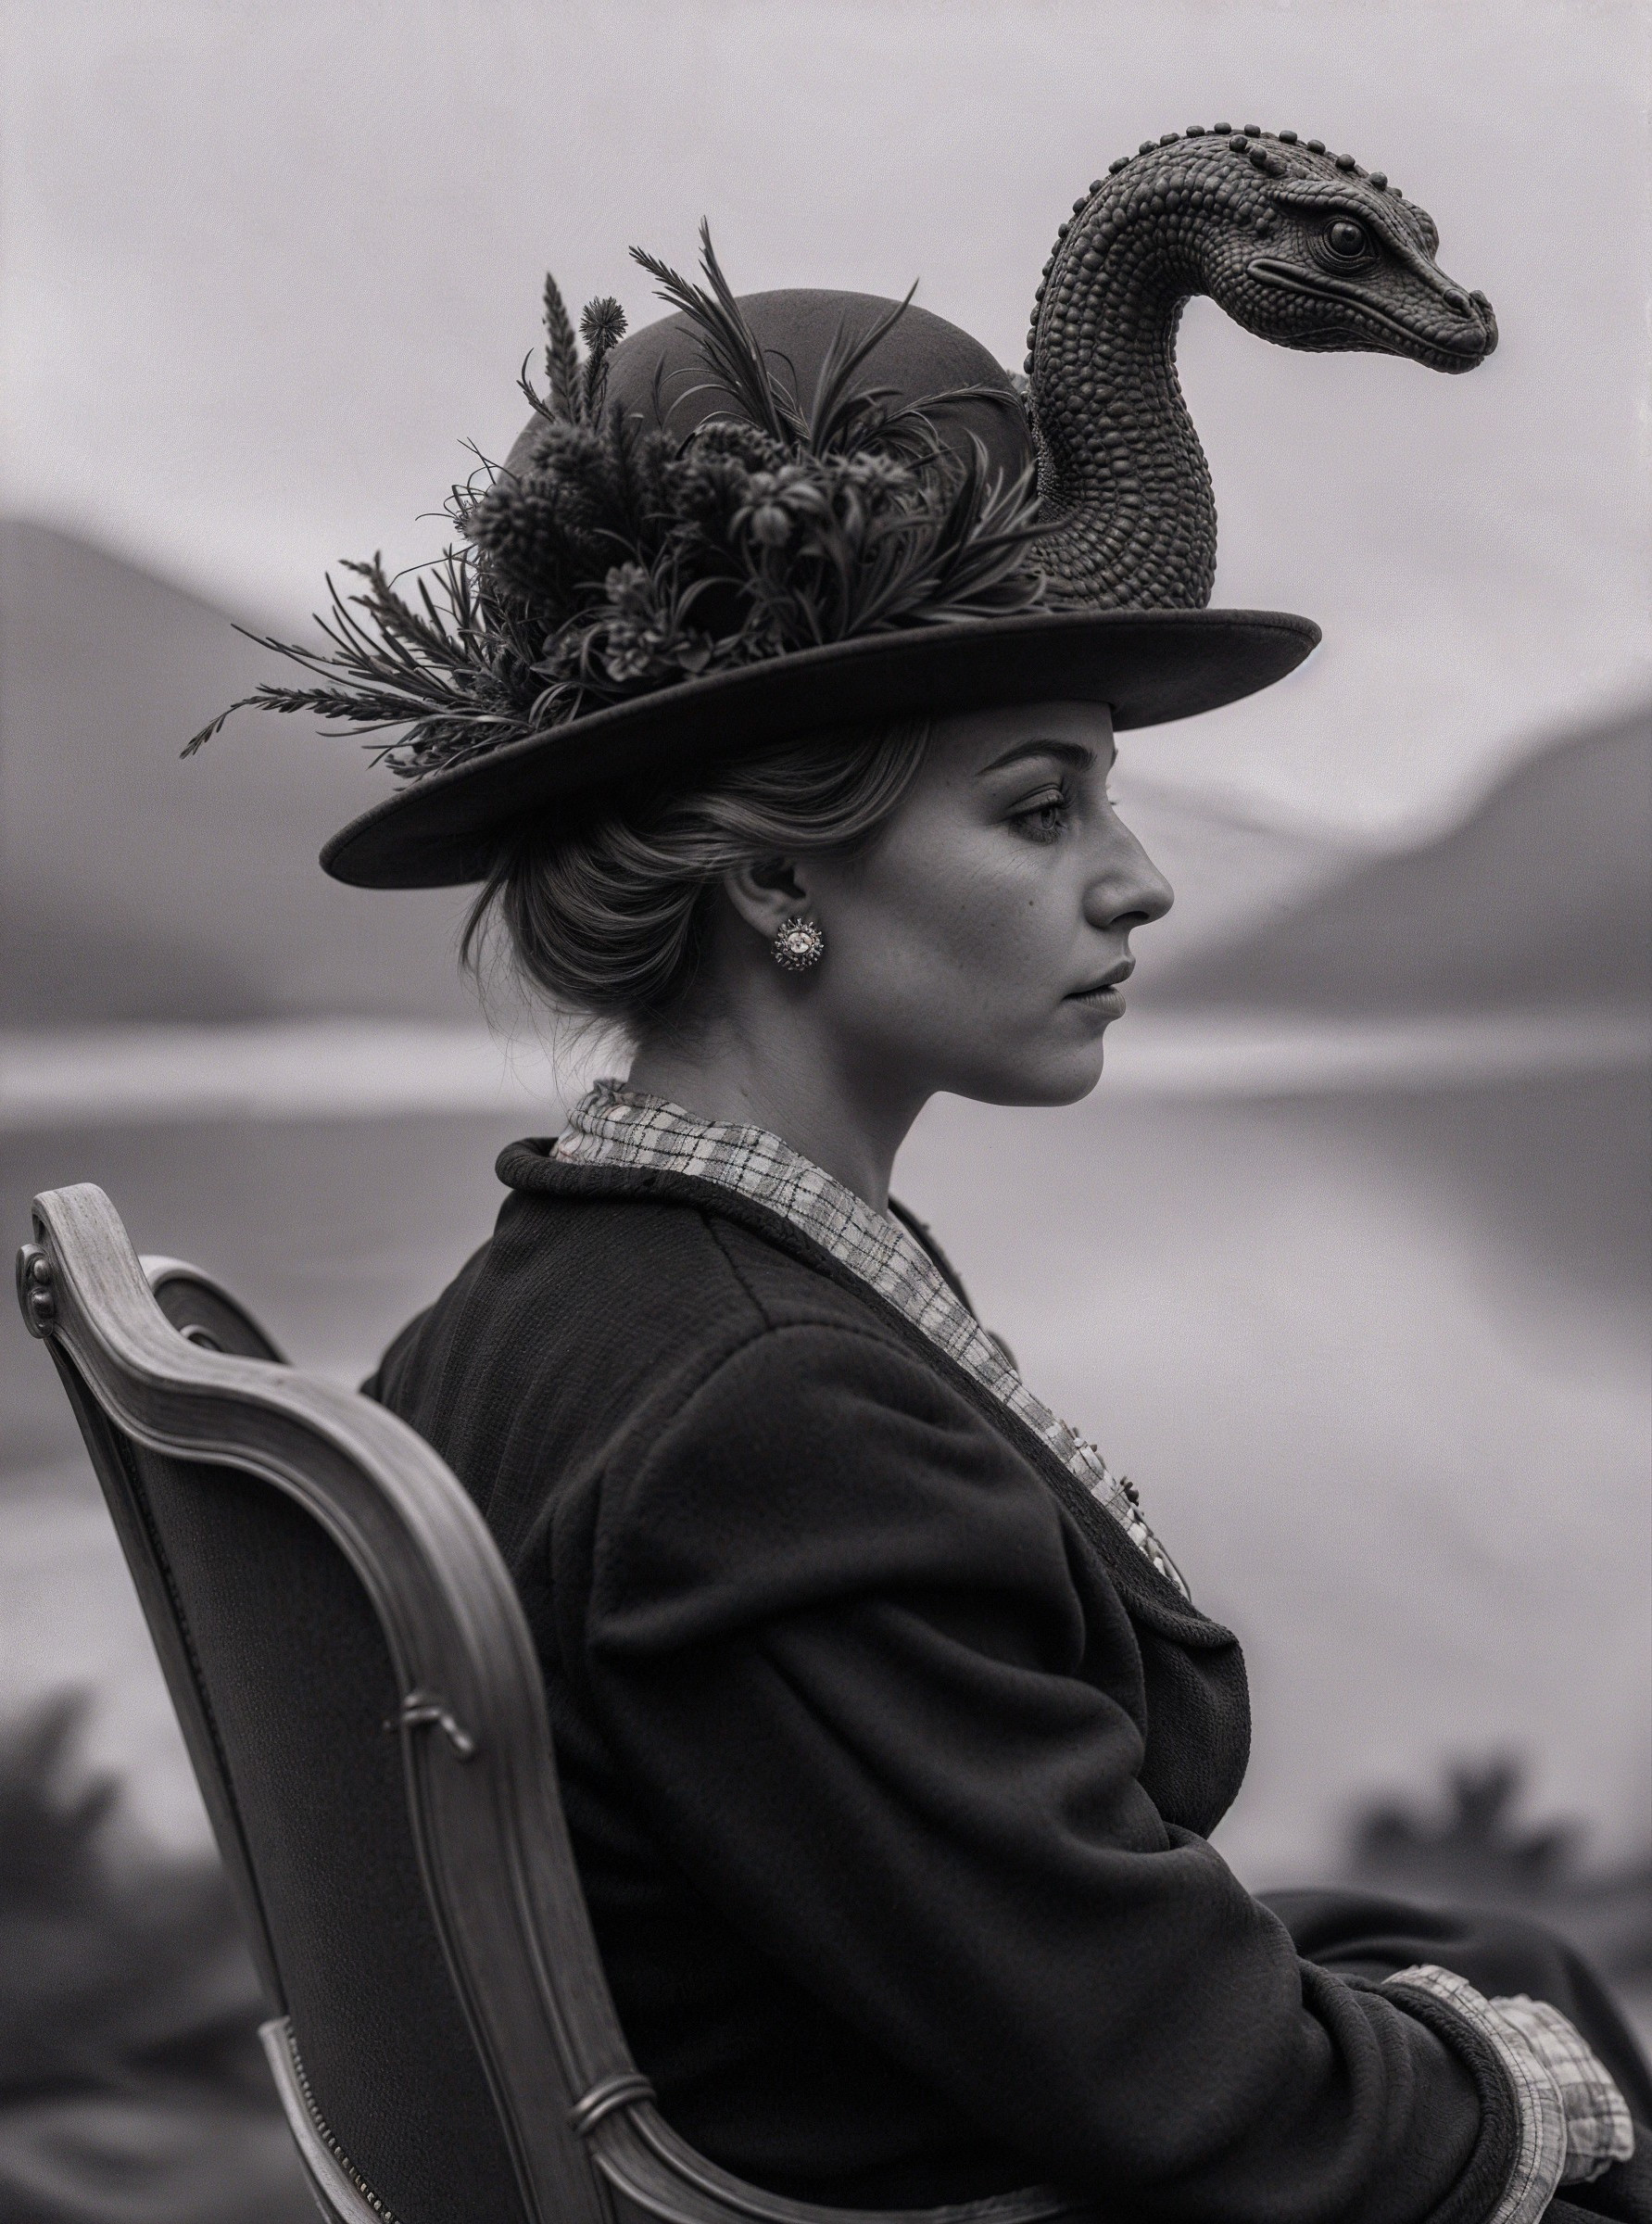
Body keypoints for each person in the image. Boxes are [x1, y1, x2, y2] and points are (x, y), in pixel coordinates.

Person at [202, 226, 1649, 2223]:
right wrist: (1556, 2102)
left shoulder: (530, 1316)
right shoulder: (762, 1426)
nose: (1137, 881)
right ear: (776, 878)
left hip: (858, 2086)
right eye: (1041, 808)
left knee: (1506, 1960)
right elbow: (1215, 2111)